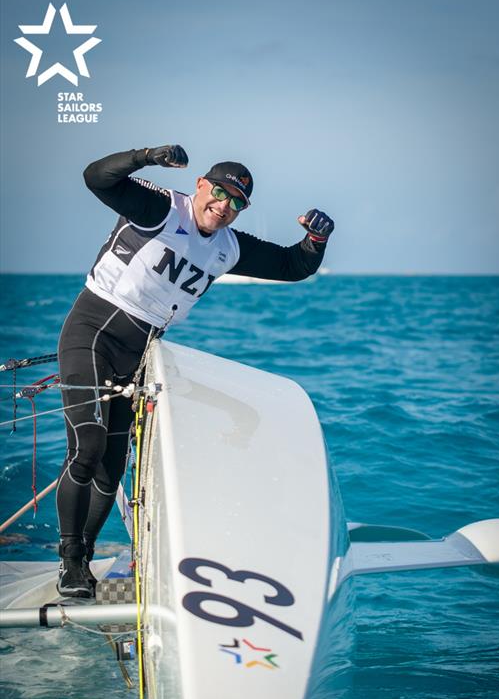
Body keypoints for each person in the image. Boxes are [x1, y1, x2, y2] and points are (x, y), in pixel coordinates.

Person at [56, 143, 334, 597]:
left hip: (139, 354)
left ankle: (83, 560)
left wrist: (316, 240)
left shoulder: (228, 247)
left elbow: (292, 265)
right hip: (92, 335)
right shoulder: (162, 209)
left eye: (237, 204)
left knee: (110, 470)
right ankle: (67, 558)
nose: (224, 207)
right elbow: (95, 177)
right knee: (86, 447)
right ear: (201, 185)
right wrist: (146, 155)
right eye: (219, 193)